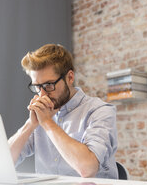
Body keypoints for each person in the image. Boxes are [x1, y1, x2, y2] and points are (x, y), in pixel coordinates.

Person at [9, 44, 118, 178]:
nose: (42, 94)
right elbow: (2, 162)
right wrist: (30, 125)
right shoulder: (41, 115)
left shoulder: (99, 111)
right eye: (37, 87)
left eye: (49, 85)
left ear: (70, 78)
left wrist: (48, 124)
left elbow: (87, 169)